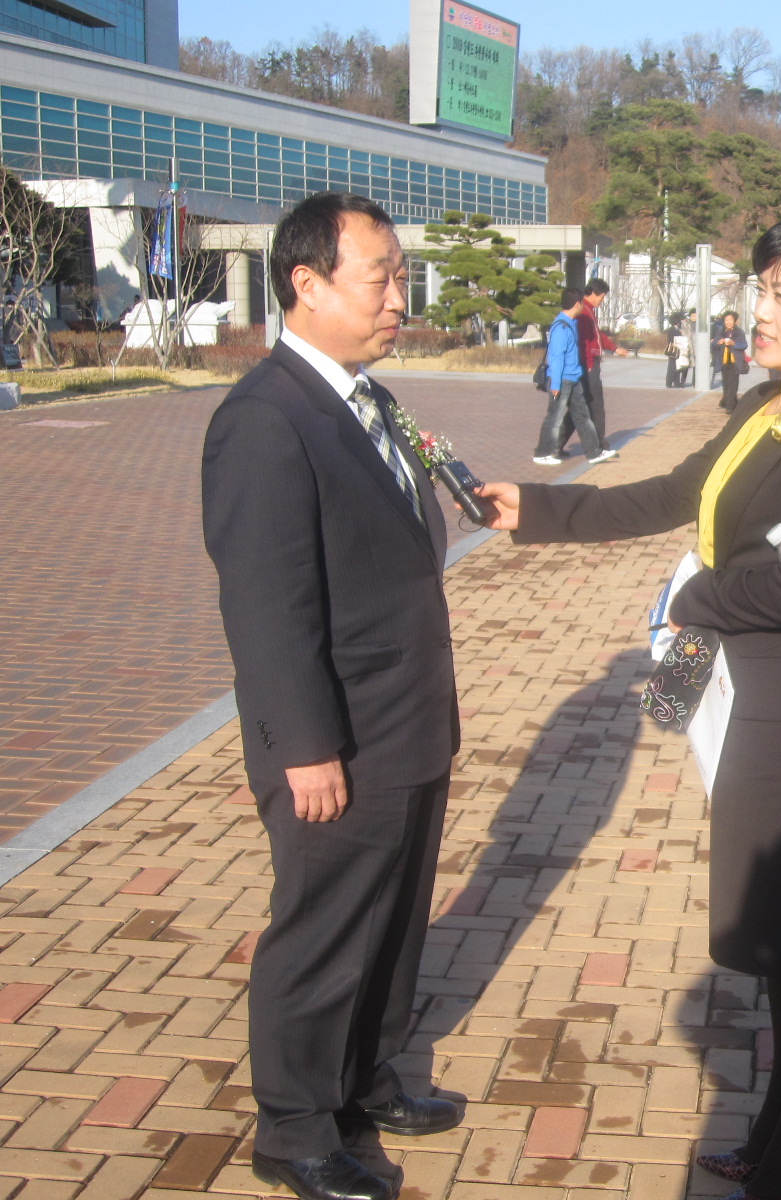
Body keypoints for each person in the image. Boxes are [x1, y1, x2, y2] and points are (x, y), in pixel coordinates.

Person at [474, 211, 781, 1200]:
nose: (759, 309)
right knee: (774, 940)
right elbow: (672, 494)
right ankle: (777, 1135)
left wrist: (695, 600)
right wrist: (537, 509)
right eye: (762, 290)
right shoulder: (768, 403)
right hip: (742, 695)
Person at [201, 192, 463, 1200]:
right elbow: (265, 606)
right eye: (381, 277)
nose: (400, 297)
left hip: (405, 723)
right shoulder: (266, 420)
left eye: (402, 276)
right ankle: (296, 1129)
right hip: (336, 740)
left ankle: (366, 1082)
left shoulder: (365, 397)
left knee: (392, 924)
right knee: (322, 936)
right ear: (306, 284)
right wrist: (303, 745)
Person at [533, 288, 613, 465]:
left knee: (582, 416)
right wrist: (555, 383)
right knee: (554, 417)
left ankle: (594, 452)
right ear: (577, 304)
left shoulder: (570, 323)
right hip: (562, 379)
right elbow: (556, 357)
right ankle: (542, 453)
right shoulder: (561, 327)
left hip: (573, 377)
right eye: (582, 304)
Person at [557, 276, 630, 456]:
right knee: (595, 405)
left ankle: (556, 443)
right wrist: (589, 364)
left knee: (580, 407)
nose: (602, 301)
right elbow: (582, 342)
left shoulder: (588, 311)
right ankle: (599, 445)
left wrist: (614, 348)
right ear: (594, 294)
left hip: (588, 364)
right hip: (587, 365)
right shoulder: (583, 312)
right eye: (602, 297)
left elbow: (597, 335)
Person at [716, 310, 749, 411]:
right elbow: (714, 343)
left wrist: (733, 344)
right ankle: (728, 401)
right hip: (724, 361)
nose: (728, 322)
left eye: (731, 320)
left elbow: (744, 345)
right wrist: (719, 342)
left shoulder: (739, 332)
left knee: (733, 383)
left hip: (735, 362)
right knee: (726, 383)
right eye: (726, 320)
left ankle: (730, 407)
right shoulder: (721, 331)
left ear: (734, 321)